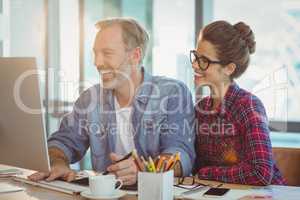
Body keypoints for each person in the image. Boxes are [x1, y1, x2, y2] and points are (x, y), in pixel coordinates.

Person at [29, 18, 195, 185]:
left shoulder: (173, 93)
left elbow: (180, 154)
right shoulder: (90, 99)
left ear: (135, 56)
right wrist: (58, 163)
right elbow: (63, 142)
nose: (97, 62)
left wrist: (143, 170)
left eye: (107, 53)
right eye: (95, 53)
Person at [192, 20, 286, 185]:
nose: (194, 65)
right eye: (195, 57)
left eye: (204, 61)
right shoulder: (200, 109)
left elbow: (260, 172)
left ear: (229, 68)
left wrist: (206, 173)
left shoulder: (248, 106)